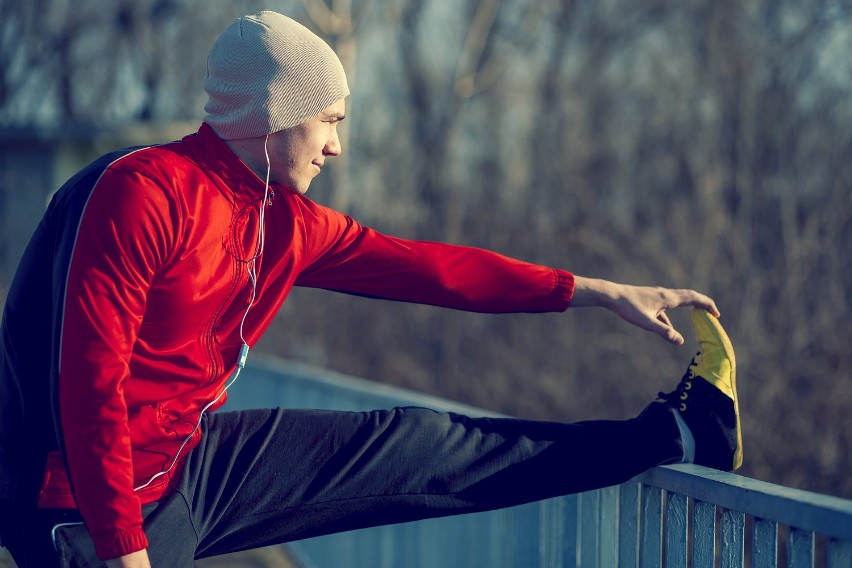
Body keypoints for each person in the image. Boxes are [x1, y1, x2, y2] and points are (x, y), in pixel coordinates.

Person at [0, 11, 741, 568]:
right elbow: (87, 386)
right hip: (82, 509)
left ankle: (680, 434)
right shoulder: (144, 194)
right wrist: (124, 549)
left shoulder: (286, 222)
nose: (336, 144)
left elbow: (433, 269)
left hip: (189, 465)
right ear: (272, 114)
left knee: (423, 445)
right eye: (328, 120)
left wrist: (595, 290)